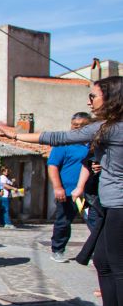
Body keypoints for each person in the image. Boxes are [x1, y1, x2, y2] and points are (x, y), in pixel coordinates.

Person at [0, 76, 122, 306]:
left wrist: (15, 133)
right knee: (102, 261)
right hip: (110, 204)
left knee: (117, 265)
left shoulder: (112, 129)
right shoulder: (109, 128)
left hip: (119, 205)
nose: (89, 101)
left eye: (94, 96)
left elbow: (62, 137)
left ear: (111, 99)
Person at [46, 112, 91, 262]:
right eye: (75, 125)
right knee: (64, 222)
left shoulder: (92, 145)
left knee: (94, 222)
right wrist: (58, 187)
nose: (77, 128)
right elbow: (52, 166)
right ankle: (58, 250)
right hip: (69, 193)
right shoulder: (63, 144)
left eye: (82, 126)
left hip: (89, 193)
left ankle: (97, 252)